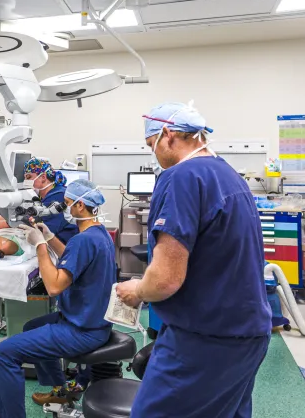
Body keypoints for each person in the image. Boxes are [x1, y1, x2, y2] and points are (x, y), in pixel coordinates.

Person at [116, 102, 271, 418]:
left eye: (152, 145)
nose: (155, 156)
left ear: (168, 135)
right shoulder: (229, 175)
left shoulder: (181, 177)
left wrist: (137, 289)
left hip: (205, 339)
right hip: (247, 334)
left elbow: (164, 280)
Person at [0, 180, 116, 418]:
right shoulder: (98, 234)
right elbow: (72, 258)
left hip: (82, 330)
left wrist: (39, 246)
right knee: (31, 326)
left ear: (80, 206)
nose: (64, 209)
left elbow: (54, 287)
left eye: (67, 204)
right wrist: (48, 237)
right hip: (92, 320)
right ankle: (61, 390)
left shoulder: (84, 240)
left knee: (5, 353)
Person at [0, 158, 78, 257]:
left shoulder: (58, 196)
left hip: (60, 247)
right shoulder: (45, 195)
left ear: (43, 177)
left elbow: (41, 230)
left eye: (29, 177)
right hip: (50, 239)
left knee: (3, 244)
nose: (26, 182)